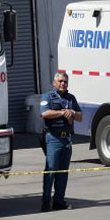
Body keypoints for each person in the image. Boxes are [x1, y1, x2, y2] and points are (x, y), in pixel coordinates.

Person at [39, 72, 82, 211]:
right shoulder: (48, 97)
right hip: (53, 138)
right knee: (51, 170)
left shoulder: (71, 98)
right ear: (54, 83)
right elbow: (44, 113)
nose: (63, 83)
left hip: (67, 139)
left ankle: (58, 201)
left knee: (63, 172)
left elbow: (80, 117)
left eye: (65, 82)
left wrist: (73, 113)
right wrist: (63, 112)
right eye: (61, 81)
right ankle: (46, 202)